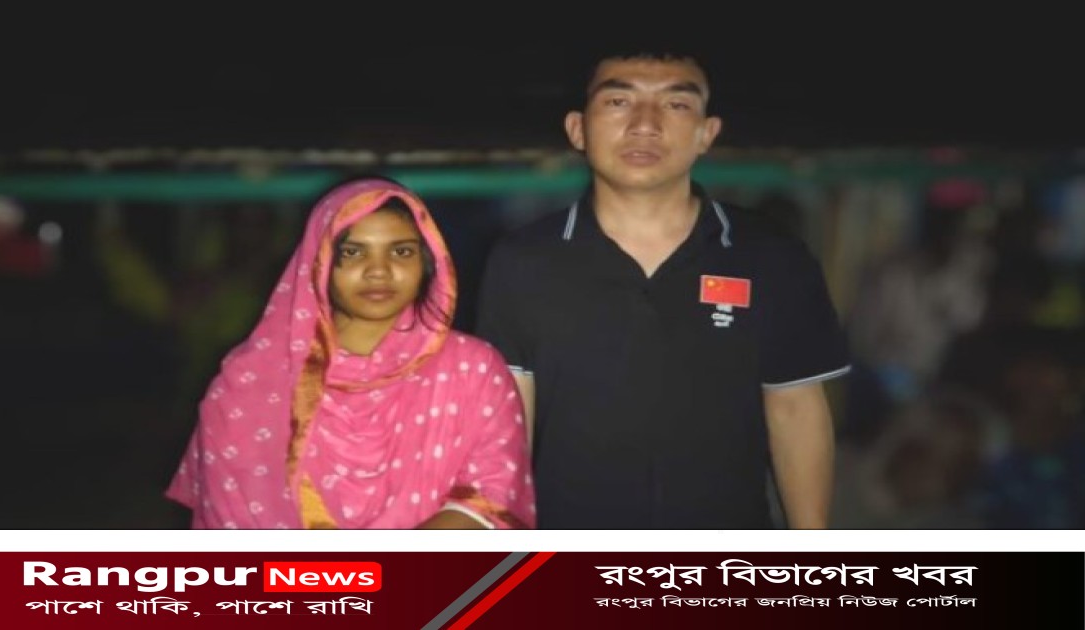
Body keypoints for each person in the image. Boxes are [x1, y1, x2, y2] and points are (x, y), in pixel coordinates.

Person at [475, 44, 850, 529]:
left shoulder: (771, 257)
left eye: (676, 104)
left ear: (706, 133)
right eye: (618, 101)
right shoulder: (523, 261)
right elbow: (510, 426)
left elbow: (795, 408)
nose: (645, 124)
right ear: (578, 129)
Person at [167, 177, 535, 529]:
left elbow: (493, 493)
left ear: (428, 262)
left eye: (401, 251)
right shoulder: (250, 381)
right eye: (353, 252)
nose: (378, 271)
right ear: (318, 261)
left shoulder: (471, 368)